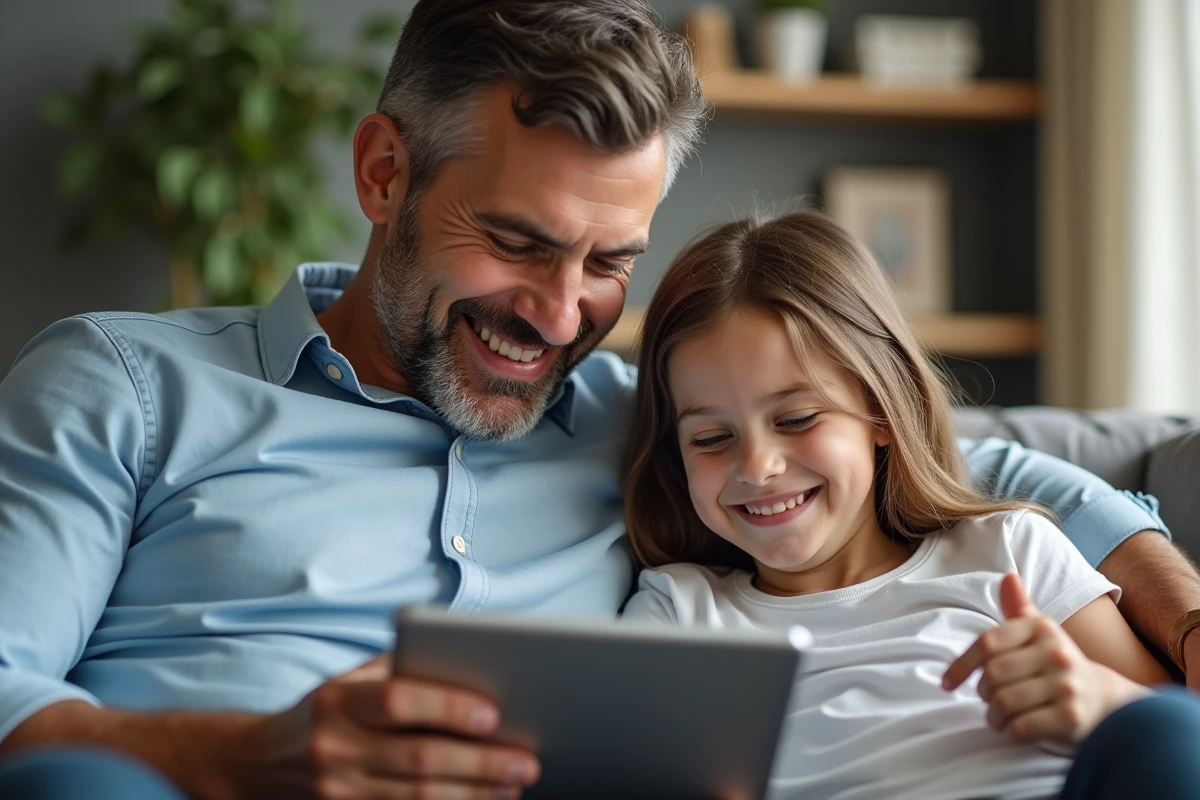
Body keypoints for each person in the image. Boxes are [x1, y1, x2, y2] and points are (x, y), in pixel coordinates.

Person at [0, 1, 1197, 798]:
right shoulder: (127, 386)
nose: (559, 312)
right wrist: (240, 756)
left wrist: (1185, 623)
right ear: (383, 173)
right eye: (517, 242)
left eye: (610, 261)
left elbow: (969, 464)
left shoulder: (663, 424)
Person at [621, 210, 1200, 800]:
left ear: (880, 412)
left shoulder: (1010, 548)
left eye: (796, 419)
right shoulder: (679, 612)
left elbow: (1173, 732)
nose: (756, 466)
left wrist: (1100, 699)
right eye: (711, 438)